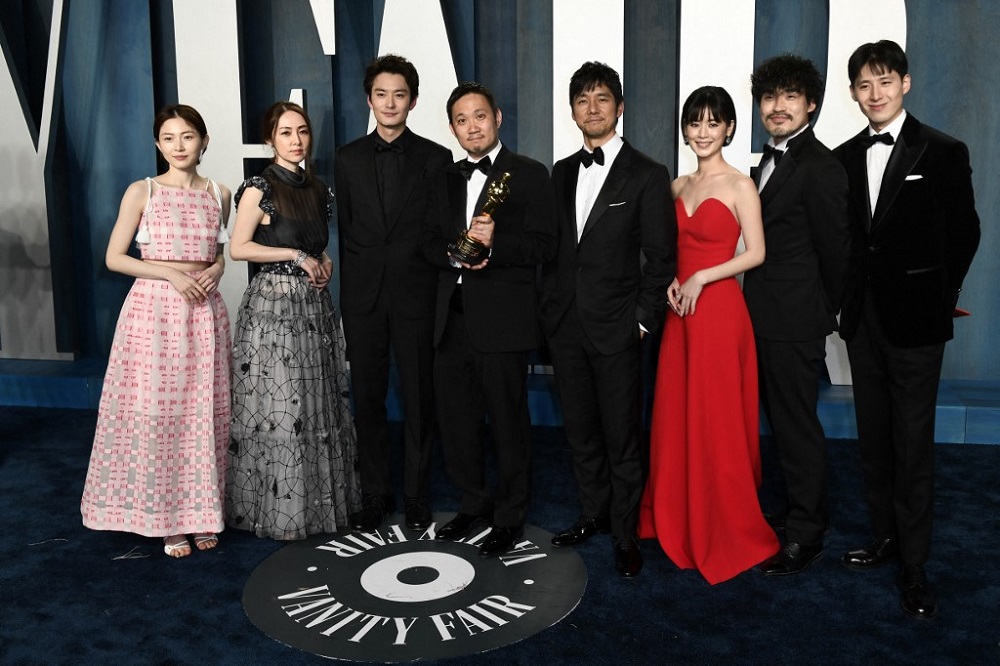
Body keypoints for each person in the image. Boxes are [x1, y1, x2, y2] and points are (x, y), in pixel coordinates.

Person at [833, 40, 980, 620]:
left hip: (917, 320)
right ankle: (885, 537)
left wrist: (939, 299)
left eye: (885, 81)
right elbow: (846, 241)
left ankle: (915, 566)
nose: (876, 93)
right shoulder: (844, 157)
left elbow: (964, 232)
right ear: (853, 93)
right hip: (862, 321)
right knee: (873, 436)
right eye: (865, 85)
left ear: (906, 83)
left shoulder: (943, 150)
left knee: (912, 442)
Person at [540, 62, 675, 578]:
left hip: (619, 327)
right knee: (580, 432)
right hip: (567, 327)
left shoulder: (647, 173)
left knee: (622, 436)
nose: (592, 108)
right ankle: (592, 513)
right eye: (582, 100)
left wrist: (641, 321)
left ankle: (624, 531)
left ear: (620, 107)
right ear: (572, 111)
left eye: (601, 98)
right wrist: (550, 313)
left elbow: (661, 258)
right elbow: (555, 253)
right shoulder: (560, 172)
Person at [638, 86, 777, 584]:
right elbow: (664, 249)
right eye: (694, 123)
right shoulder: (676, 186)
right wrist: (672, 278)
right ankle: (677, 509)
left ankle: (721, 518)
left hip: (718, 313)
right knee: (676, 413)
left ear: (730, 129)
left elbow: (756, 253)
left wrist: (701, 276)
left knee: (716, 416)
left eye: (713, 123)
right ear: (685, 129)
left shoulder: (741, 185)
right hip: (680, 313)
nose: (702, 132)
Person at [81, 104, 232, 558]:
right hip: (154, 312)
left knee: (203, 413)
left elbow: (217, 252)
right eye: (169, 138)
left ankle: (201, 513)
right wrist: (169, 273)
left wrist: (217, 268)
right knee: (160, 415)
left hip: (204, 311)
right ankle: (167, 520)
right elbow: (115, 258)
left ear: (203, 141)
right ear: (157, 144)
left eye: (187, 136)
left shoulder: (219, 193)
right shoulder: (142, 191)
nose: (178, 146)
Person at [420, 82, 557, 558]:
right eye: (462, 120)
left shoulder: (530, 173)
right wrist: (453, 254)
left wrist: (495, 247)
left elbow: (545, 245)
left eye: (479, 116)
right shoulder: (443, 177)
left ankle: (510, 514)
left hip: (502, 319)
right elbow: (425, 241)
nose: (472, 127)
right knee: (457, 421)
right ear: (452, 128)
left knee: (507, 422)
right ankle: (473, 502)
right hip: (450, 318)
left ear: (497, 117)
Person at [226, 101, 362, 540]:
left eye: (302, 131)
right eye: (285, 132)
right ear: (270, 139)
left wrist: (324, 261)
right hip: (273, 309)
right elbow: (239, 248)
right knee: (283, 408)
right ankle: (277, 512)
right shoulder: (259, 187)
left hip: (313, 307)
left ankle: (316, 507)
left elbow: (316, 245)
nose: (296, 140)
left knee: (316, 403)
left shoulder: (319, 188)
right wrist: (296, 255)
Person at [335, 55, 452, 532]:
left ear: (413, 101)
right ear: (369, 99)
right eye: (381, 94)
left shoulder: (436, 158)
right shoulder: (346, 159)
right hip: (363, 300)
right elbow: (348, 234)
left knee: (420, 399)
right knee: (367, 399)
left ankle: (417, 494)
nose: (389, 103)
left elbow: (440, 230)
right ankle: (376, 493)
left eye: (399, 94)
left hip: (415, 297)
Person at [745, 54, 851, 575]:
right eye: (769, 97)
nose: (778, 106)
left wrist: (818, 314)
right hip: (762, 318)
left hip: (796, 321)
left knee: (796, 426)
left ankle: (808, 533)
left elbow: (837, 253)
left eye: (790, 96)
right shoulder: (766, 161)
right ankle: (794, 511)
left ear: (811, 104)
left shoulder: (821, 166)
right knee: (782, 422)